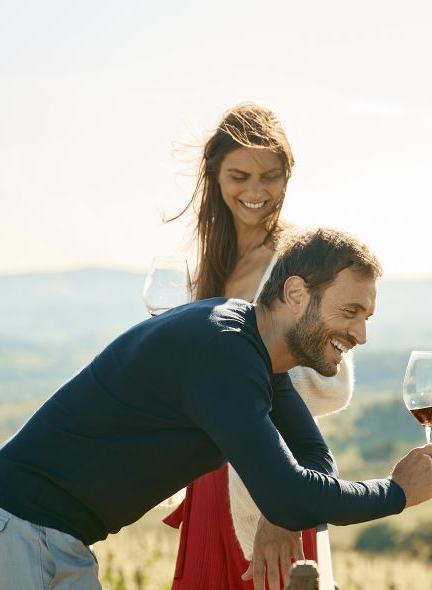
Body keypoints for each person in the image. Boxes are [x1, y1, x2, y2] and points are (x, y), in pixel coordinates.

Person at [0, 227, 432, 590]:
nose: (361, 334)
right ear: (295, 293)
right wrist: (395, 492)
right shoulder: (223, 354)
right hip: (23, 524)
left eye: (367, 316)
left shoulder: (255, 349)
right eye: (350, 312)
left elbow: (312, 456)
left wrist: (296, 499)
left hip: (52, 532)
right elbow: (291, 497)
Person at [160, 103, 355, 589]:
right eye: (239, 176)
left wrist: (281, 502)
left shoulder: (303, 259)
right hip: (209, 479)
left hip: (270, 484)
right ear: (215, 176)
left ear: (287, 176)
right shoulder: (213, 264)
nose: (255, 191)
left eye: (269, 176)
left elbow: (333, 379)